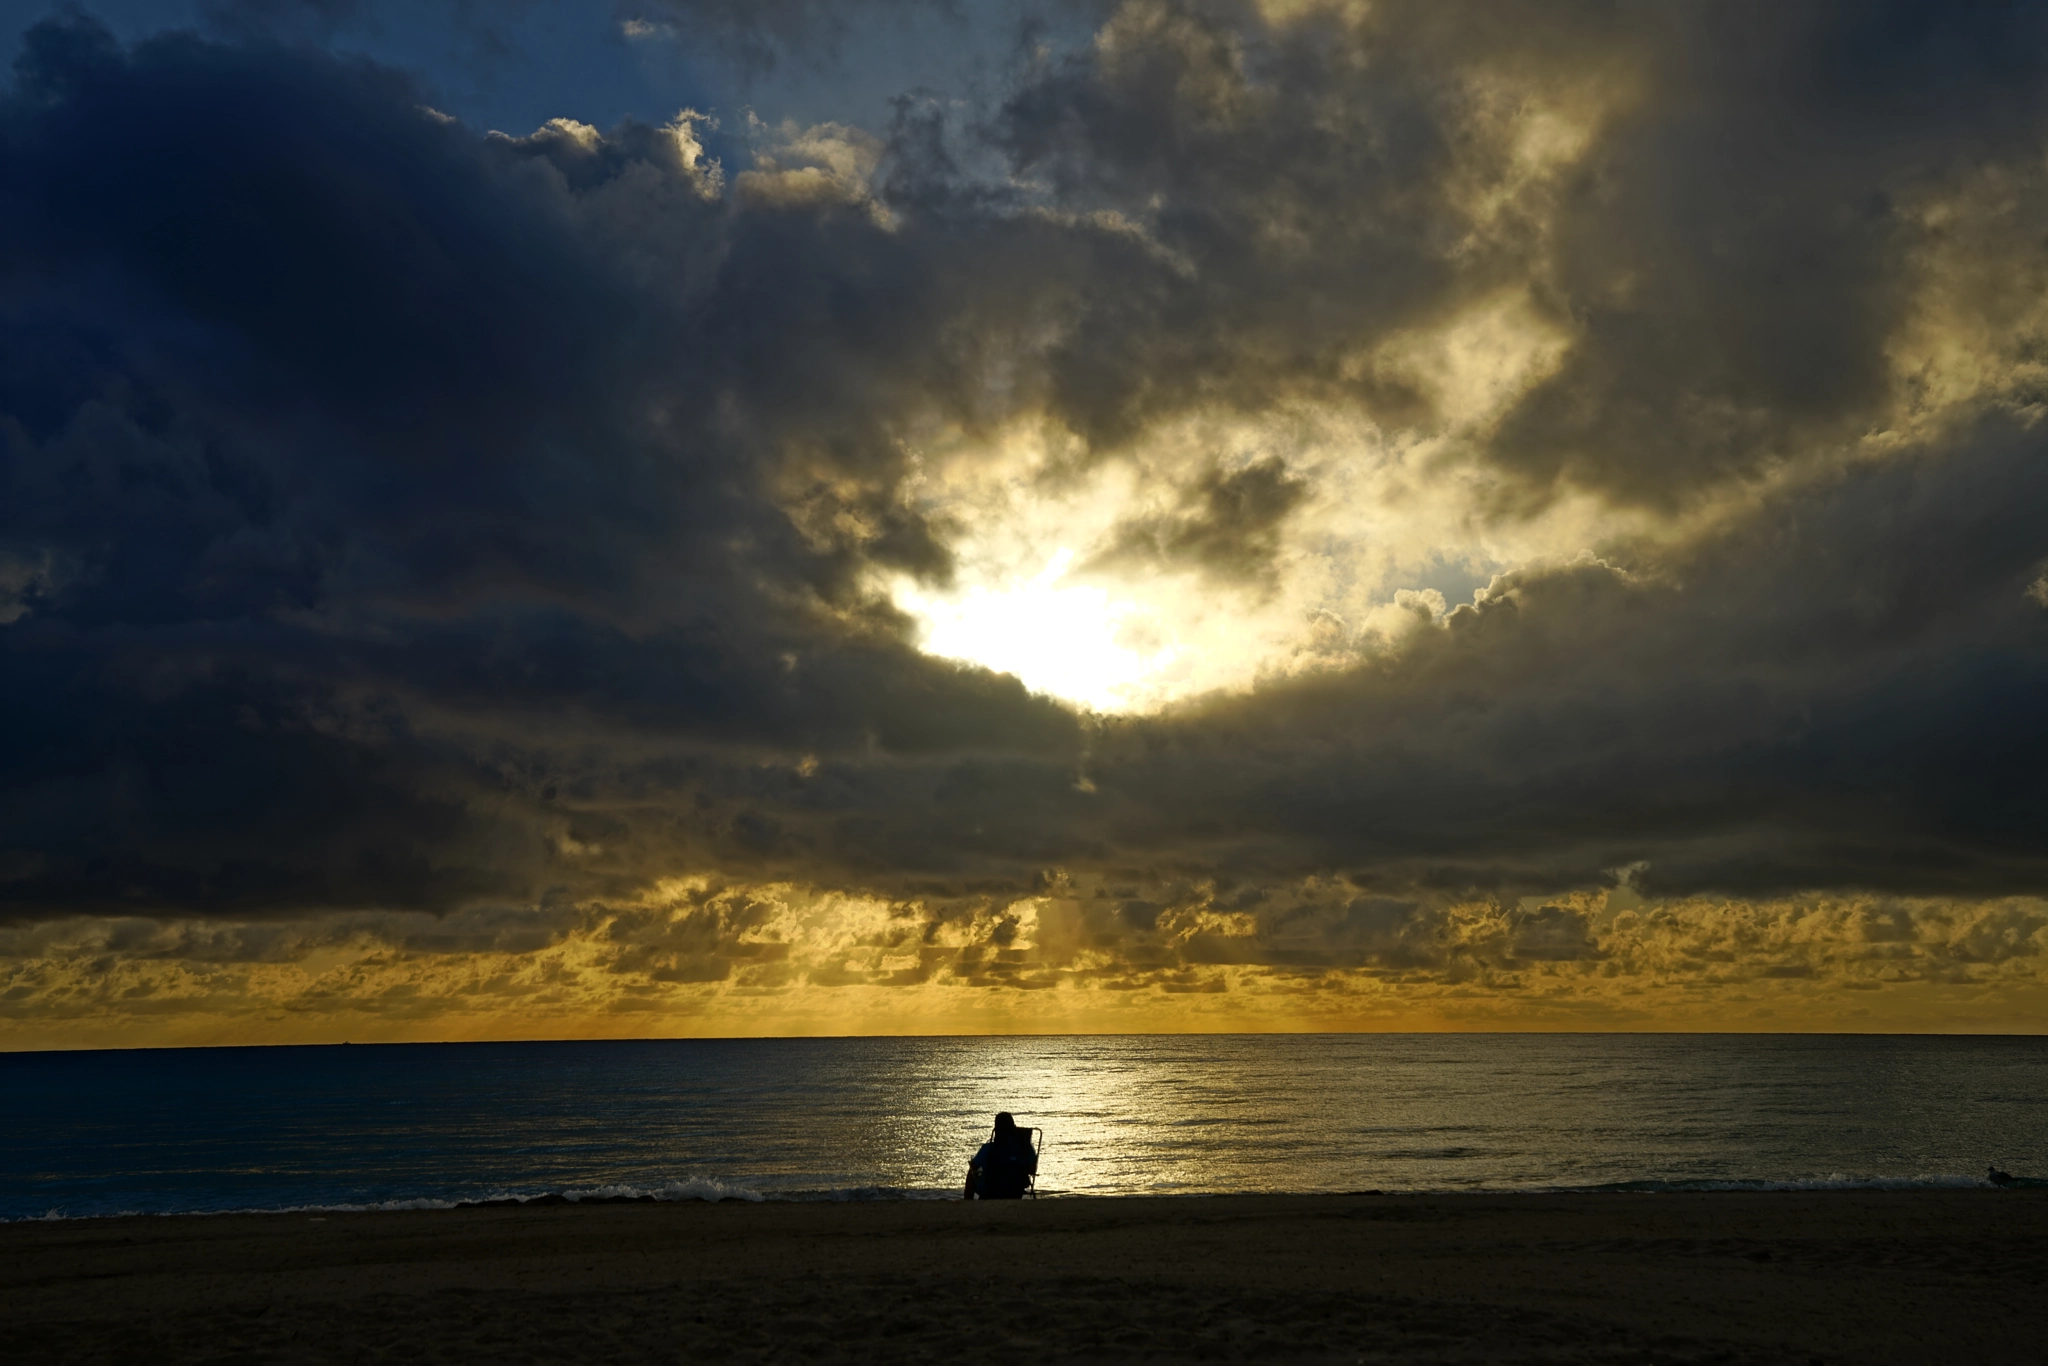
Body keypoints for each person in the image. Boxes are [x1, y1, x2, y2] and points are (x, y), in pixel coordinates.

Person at [963, 1112, 1037, 1199]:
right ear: (1014, 1127)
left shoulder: (988, 1149)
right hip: (1016, 1188)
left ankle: (968, 1201)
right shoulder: (1025, 1149)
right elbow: (1032, 1169)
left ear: (996, 1130)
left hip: (991, 1188)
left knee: (972, 1170)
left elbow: (974, 1166)